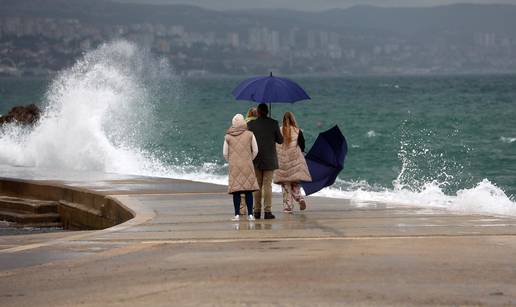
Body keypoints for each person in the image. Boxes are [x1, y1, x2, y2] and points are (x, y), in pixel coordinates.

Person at [247, 103, 283, 219]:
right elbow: (280, 140)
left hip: (256, 158)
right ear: (267, 111)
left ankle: (256, 211)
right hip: (269, 159)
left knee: (257, 185)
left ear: (258, 111)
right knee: (267, 185)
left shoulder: (251, 124)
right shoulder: (273, 123)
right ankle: (267, 212)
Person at [223, 114, 259, 222]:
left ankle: (237, 215)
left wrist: (231, 161)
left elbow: (225, 153)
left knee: (236, 191)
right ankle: (251, 215)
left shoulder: (228, 136)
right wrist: (250, 159)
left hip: (234, 165)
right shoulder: (250, 134)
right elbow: (256, 150)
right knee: (248, 190)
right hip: (247, 164)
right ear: (244, 122)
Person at [274, 112, 311, 213]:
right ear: (293, 119)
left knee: (285, 185)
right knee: (295, 183)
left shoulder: (279, 130)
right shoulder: (297, 131)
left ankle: (288, 207)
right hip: (295, 160)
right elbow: (302, 145)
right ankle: (299, 198)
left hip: (282, 162)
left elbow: (275, 143)